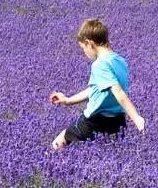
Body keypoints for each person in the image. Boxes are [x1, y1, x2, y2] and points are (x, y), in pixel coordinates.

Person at [47, 18, 147, 149]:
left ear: (89, 43)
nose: (84, 53)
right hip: (117, 122)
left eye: (83, 48)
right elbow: (96, 90)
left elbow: (118, 92)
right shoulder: (121, 61)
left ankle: (42, 164)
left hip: (94, 121)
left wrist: (137, 119)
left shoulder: (99, 65)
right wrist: (67, 100)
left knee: (60, 142)